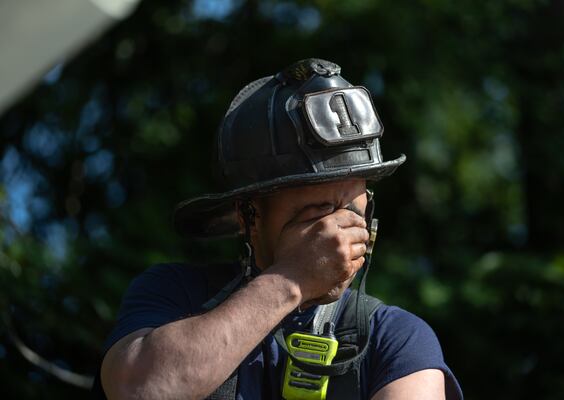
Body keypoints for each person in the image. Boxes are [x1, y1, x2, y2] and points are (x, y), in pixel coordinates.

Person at [94, 59, 463, 400]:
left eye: (351, 209)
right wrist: (291, 280)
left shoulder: (396, 339)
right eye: (314, 213)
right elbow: (138, 388)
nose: (337, 233)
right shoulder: (174, 295)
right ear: (247, 214)